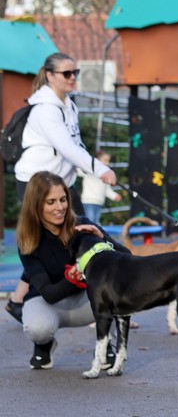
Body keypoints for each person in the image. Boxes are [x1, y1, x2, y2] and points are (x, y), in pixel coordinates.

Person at [6, 52, 118, 324]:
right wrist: (100, 169)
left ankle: (17, 299)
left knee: (81, 231)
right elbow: (66, 147)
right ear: (50, 75)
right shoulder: (45, 109)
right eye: (67, 74)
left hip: (63, 185)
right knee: (42, 241)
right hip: (37, 185)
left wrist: (91, 168)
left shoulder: (67, 104)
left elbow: (76, 146)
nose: (72, 78)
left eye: (75, 73)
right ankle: (33, 299)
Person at [17, 171, 118, 369]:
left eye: (63, 200)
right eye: (51, 202)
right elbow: (49, 293)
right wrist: (76, 275)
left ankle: (105, 343)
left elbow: (127, 256)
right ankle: (43, 345)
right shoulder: (27, 240)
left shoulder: (82, 224)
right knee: (38, 328)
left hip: (85, 300)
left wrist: (103, 238)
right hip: (48, 301)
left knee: (113, 292)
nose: (60, 207)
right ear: (36, 205)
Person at [80, 150, 122, 224]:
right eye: (105, 160)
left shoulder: (105, 175)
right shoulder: (89, 171)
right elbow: (78, 170)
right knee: (90, 221)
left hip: (99, 202)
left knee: (96, 222)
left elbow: (107, 190)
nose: (107, 163)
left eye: (108, 161)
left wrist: (114, 196)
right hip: (88, 201)